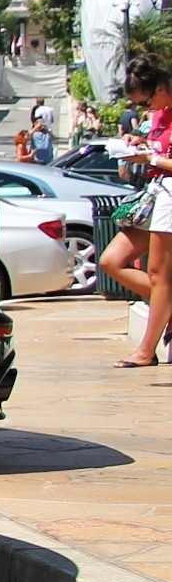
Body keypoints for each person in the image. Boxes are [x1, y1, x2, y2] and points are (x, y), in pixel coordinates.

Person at [108, 59, 172, 366]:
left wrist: (152, 159)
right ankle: (166, 306)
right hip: (155, 195)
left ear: (160, 88)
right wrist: (140, 143)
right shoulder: (159, 113)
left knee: (160, 274)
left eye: (146, 101)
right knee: (111, 260)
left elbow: (162, 158)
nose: (145, 107)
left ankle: (147, 351)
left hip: (169, 196)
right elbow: (159, 149)